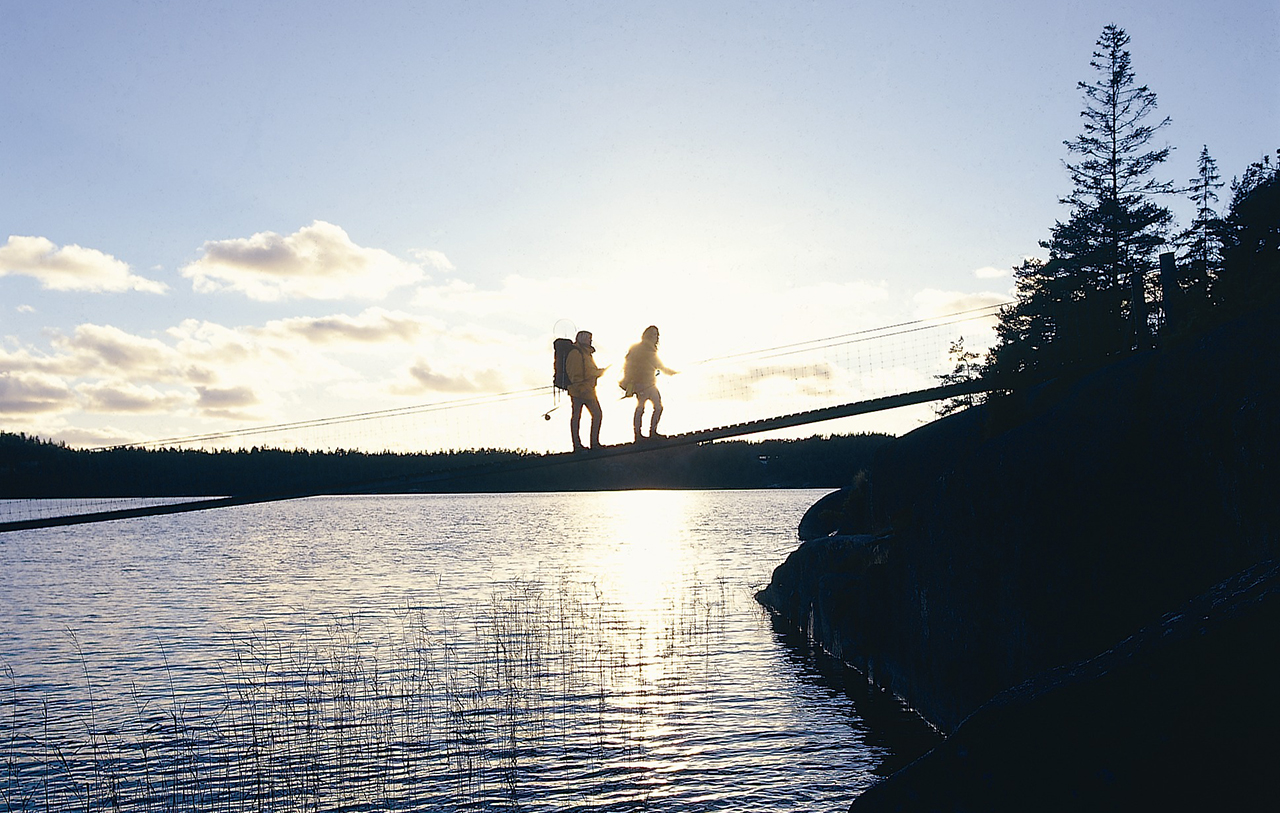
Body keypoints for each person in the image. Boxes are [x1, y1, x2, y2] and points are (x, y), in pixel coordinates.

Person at [620, 325, 677, 442]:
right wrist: (670, 372)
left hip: (647, 383)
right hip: (643, 384)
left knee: (645, 407)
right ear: (648, 335)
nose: (655, 337)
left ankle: (642, 434)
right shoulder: (647, 349)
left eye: (656, 335)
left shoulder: (639, 348)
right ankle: (648, 433)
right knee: (652, 407)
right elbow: (659, 365)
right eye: (653, 334)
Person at [565, 330, 606, 451]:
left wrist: (600, 372)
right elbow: (573, 373)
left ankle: (594, 443)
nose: (590, 340)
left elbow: (589, 371)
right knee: (579, 417)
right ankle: (578, 445)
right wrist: (581, 388)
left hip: (588, 391)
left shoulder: (587, 354)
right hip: (580, 391)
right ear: (581, 338)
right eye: (588, 338)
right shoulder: (575, 353)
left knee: (595, 415)